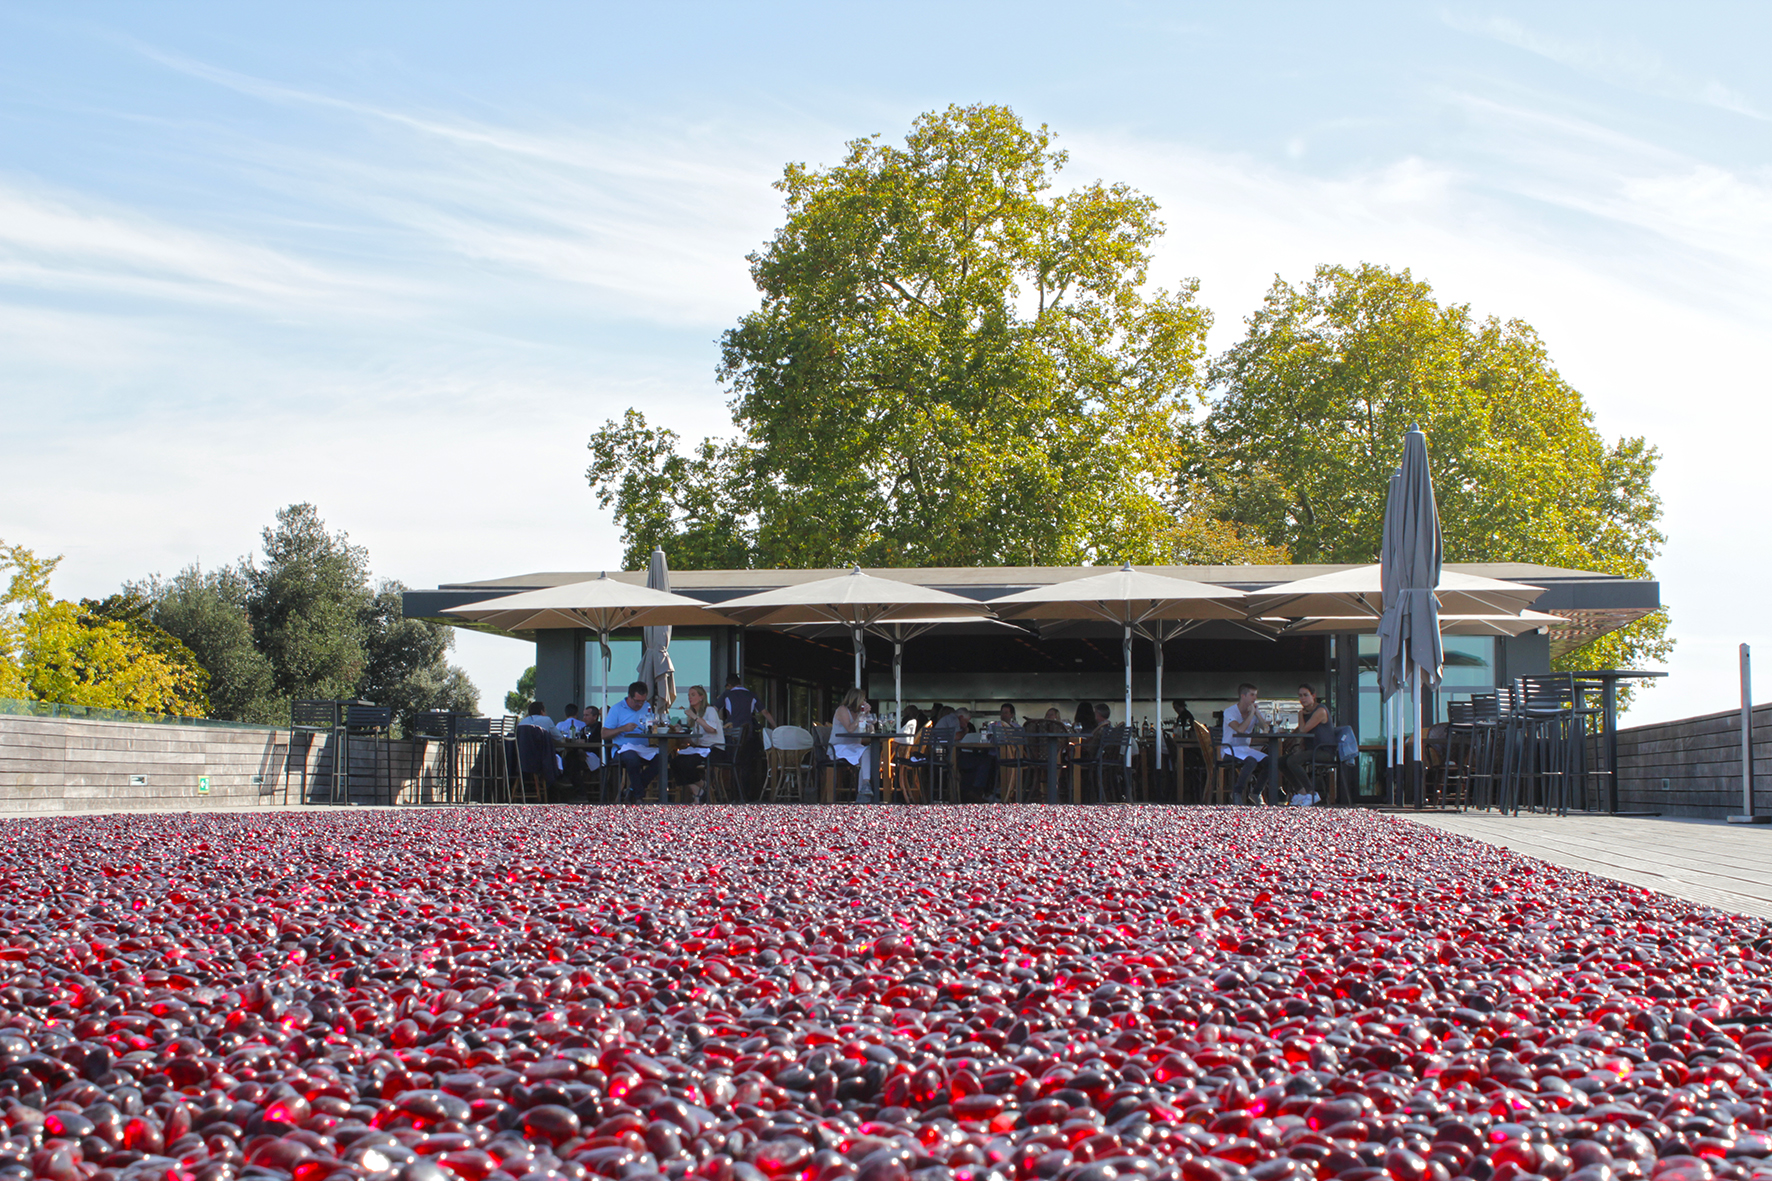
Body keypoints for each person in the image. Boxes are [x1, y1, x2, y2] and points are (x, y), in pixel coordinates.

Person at [718, 673, 774, 801]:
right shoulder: (751, 695)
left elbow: (714, 708)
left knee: (732, 764)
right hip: (747, 734)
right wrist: (775, 726)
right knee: (746, 765)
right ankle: (746, 794)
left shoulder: (727, 694)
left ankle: (734, 794)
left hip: (732, 735)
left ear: (729, 685)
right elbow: (764, 712)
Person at [604, 682, 659, 803]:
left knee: (662, 759)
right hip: (622, 749)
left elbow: (651, 725)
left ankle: (633, 790)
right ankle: (638, 795)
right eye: (637, 701)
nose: (640, 705)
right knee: (632, 758)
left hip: (643, 748)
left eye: (642, 701)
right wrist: (622, 729)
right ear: (629, 696)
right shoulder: (617, 709)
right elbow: (604, 734)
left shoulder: (647, 706)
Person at [1224, 683, 1277, 805]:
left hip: (1245, 748)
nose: (1255, 698)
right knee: (1251, 761)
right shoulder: (1230, 712)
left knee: (1270, 761)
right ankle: (1237, 792)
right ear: (1243, 696)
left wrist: (1257, 713)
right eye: (1252, 695)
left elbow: (1265, 728)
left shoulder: (1253, 711)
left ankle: (1256, 792)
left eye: (1256, 695)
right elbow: (1240, 729)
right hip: (1229, 749)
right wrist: (1251, 714)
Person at [671, 685, 724, 803]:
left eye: (693, 695)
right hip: (700, 749)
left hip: (714, 749)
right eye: (689, 695)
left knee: (687, 763)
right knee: (675, 762)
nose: (690, 697)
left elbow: (711, 729)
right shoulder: (696, 715)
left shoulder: (709, 711)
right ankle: (698, 790)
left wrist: (695, 717)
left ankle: (703, 786)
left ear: (701, 697)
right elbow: (695, 742)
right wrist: (683, 734)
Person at [1281, 683, 1333, 805]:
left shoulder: (1320, 710)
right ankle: (1302, 792)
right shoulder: (1305, 712)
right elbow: (1301, 732)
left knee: (1293, 761)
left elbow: (1303, 730)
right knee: (1281, 761)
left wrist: (1300, 714)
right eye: (1300, 696)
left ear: (1313, 696)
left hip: (1324, 751)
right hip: (1310, 750)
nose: (1302, 699)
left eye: (1305, 695)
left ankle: (1312, 793)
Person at [830, 687, 875, 802]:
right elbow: (850, 729)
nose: (864, 702)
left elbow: (871, 732)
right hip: (839, 748)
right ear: (856, 700)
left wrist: (868, 715)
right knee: (865, 754)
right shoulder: (842, 710)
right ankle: (863, 790)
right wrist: (861, 715)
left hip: (854, 747)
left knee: (868, 752)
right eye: (863, 700)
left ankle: (864, 787)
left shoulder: (861, 713)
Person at [556, 703, 602, 796]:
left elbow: (595, 742)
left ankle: (576, 789)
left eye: (587, 715)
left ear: (595, 717)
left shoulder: (599, 727)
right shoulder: (585, 728)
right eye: (584, 715)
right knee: (571, 759)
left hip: (595, 755)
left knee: (572, 761)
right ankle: (575, 788)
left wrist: (582, 744)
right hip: (583, 753)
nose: (584, 718)